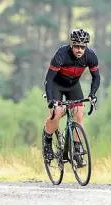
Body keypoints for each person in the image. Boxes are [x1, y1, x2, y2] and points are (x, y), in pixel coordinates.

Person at [43, 28, 100, 167]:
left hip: (73, 86)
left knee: (79, 115)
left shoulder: (91, 56)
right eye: (76, 46)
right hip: (57, 84)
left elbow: (96, 77)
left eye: (82, 47)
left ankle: (77, 150)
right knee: (56, 114)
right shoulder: (61, 54)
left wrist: (92, 94)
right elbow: (49, 79)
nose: (79, 50)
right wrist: (51, 99)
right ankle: (48, 141)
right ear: (71, 45)